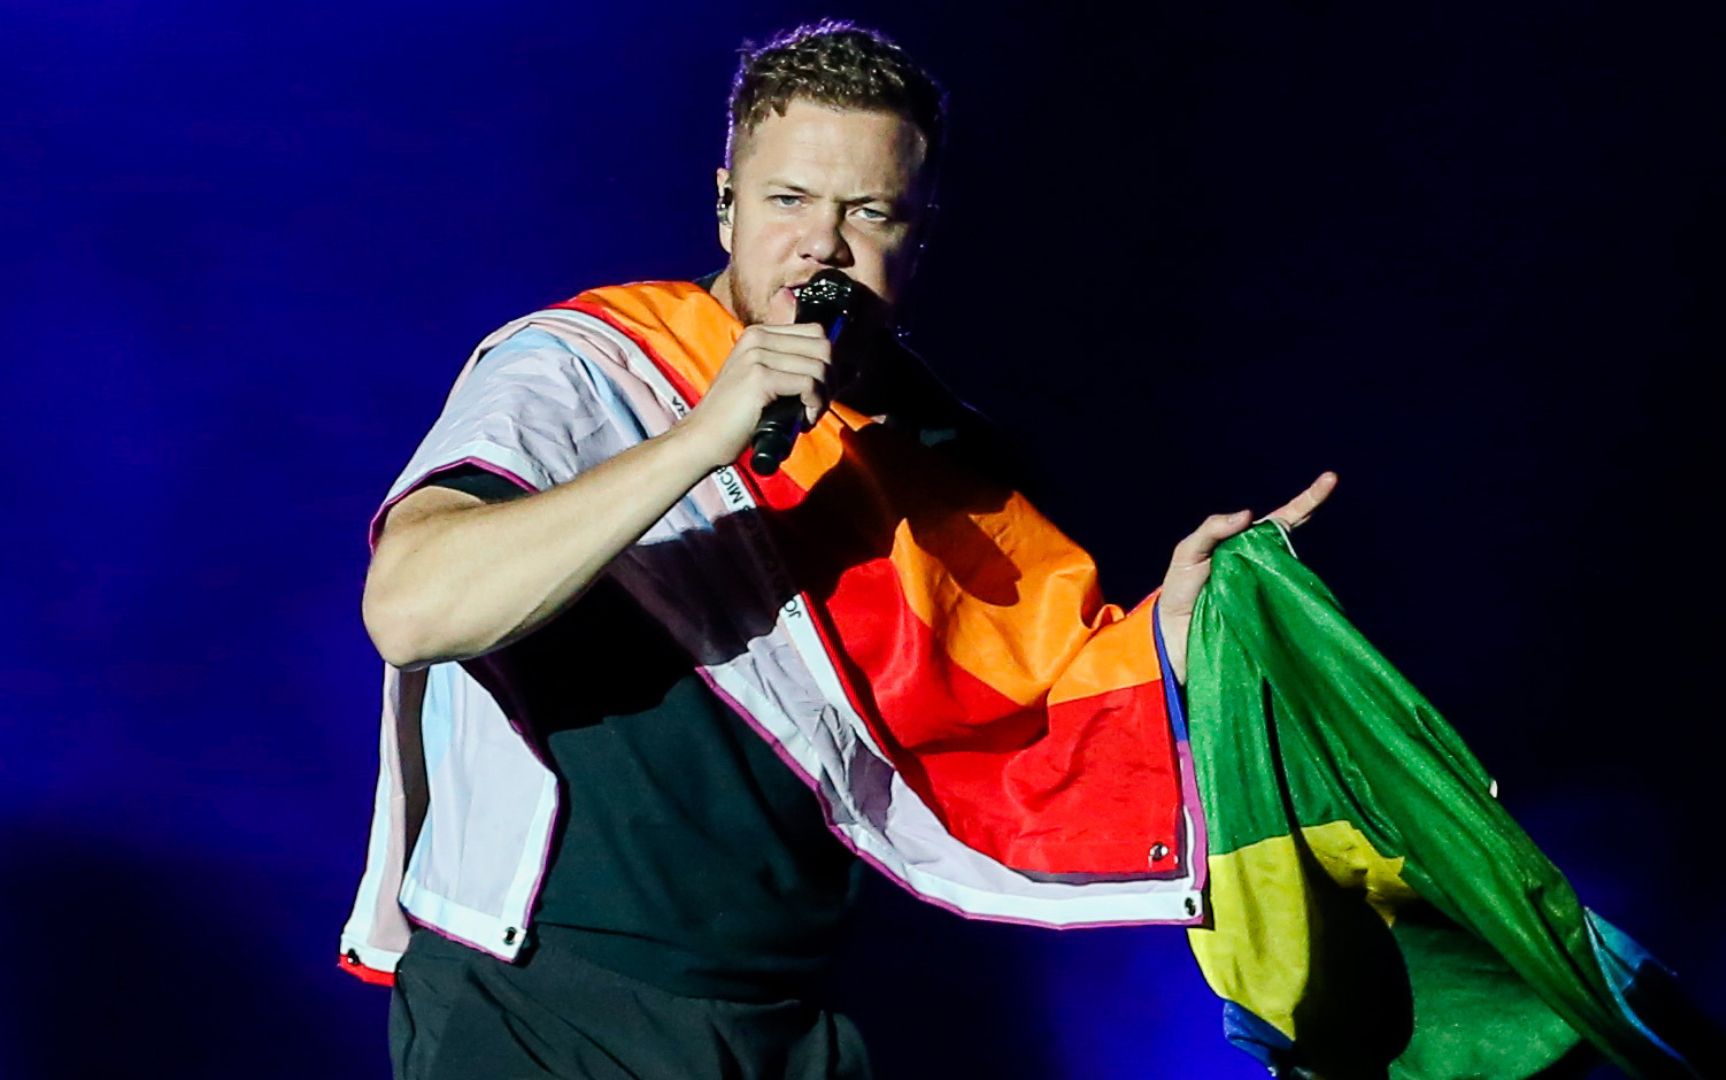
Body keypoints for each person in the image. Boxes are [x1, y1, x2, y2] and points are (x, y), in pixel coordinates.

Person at [341, 20, 1336, 1079]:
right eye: (786, 201)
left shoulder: (948, 456)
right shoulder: (585, 371)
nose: (822, 244)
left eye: (868, 211)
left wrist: (1182, 628)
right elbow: (409, 609)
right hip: (543, 1002)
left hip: (793, 1020)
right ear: (724, 201)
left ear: (919, 233)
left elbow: (1039, 712)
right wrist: (701, 440)